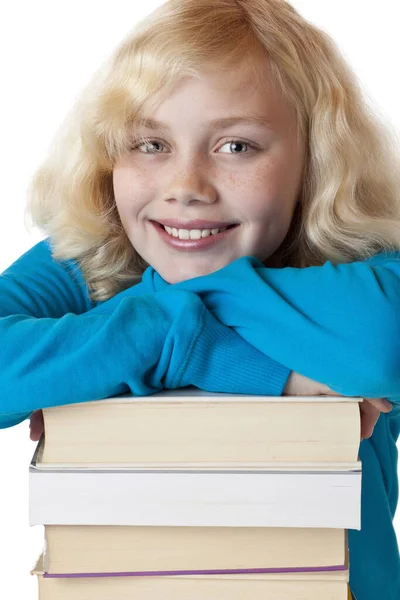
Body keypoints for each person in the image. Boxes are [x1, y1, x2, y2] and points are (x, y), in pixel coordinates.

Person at [1, 0, 399, 598]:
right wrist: (187, 342)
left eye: (236, 146)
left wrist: (143, 322)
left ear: (315, 161)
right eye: (150, 145)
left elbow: (383, 346)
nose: (185, 188)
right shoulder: (98, 255)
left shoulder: (367, 267)